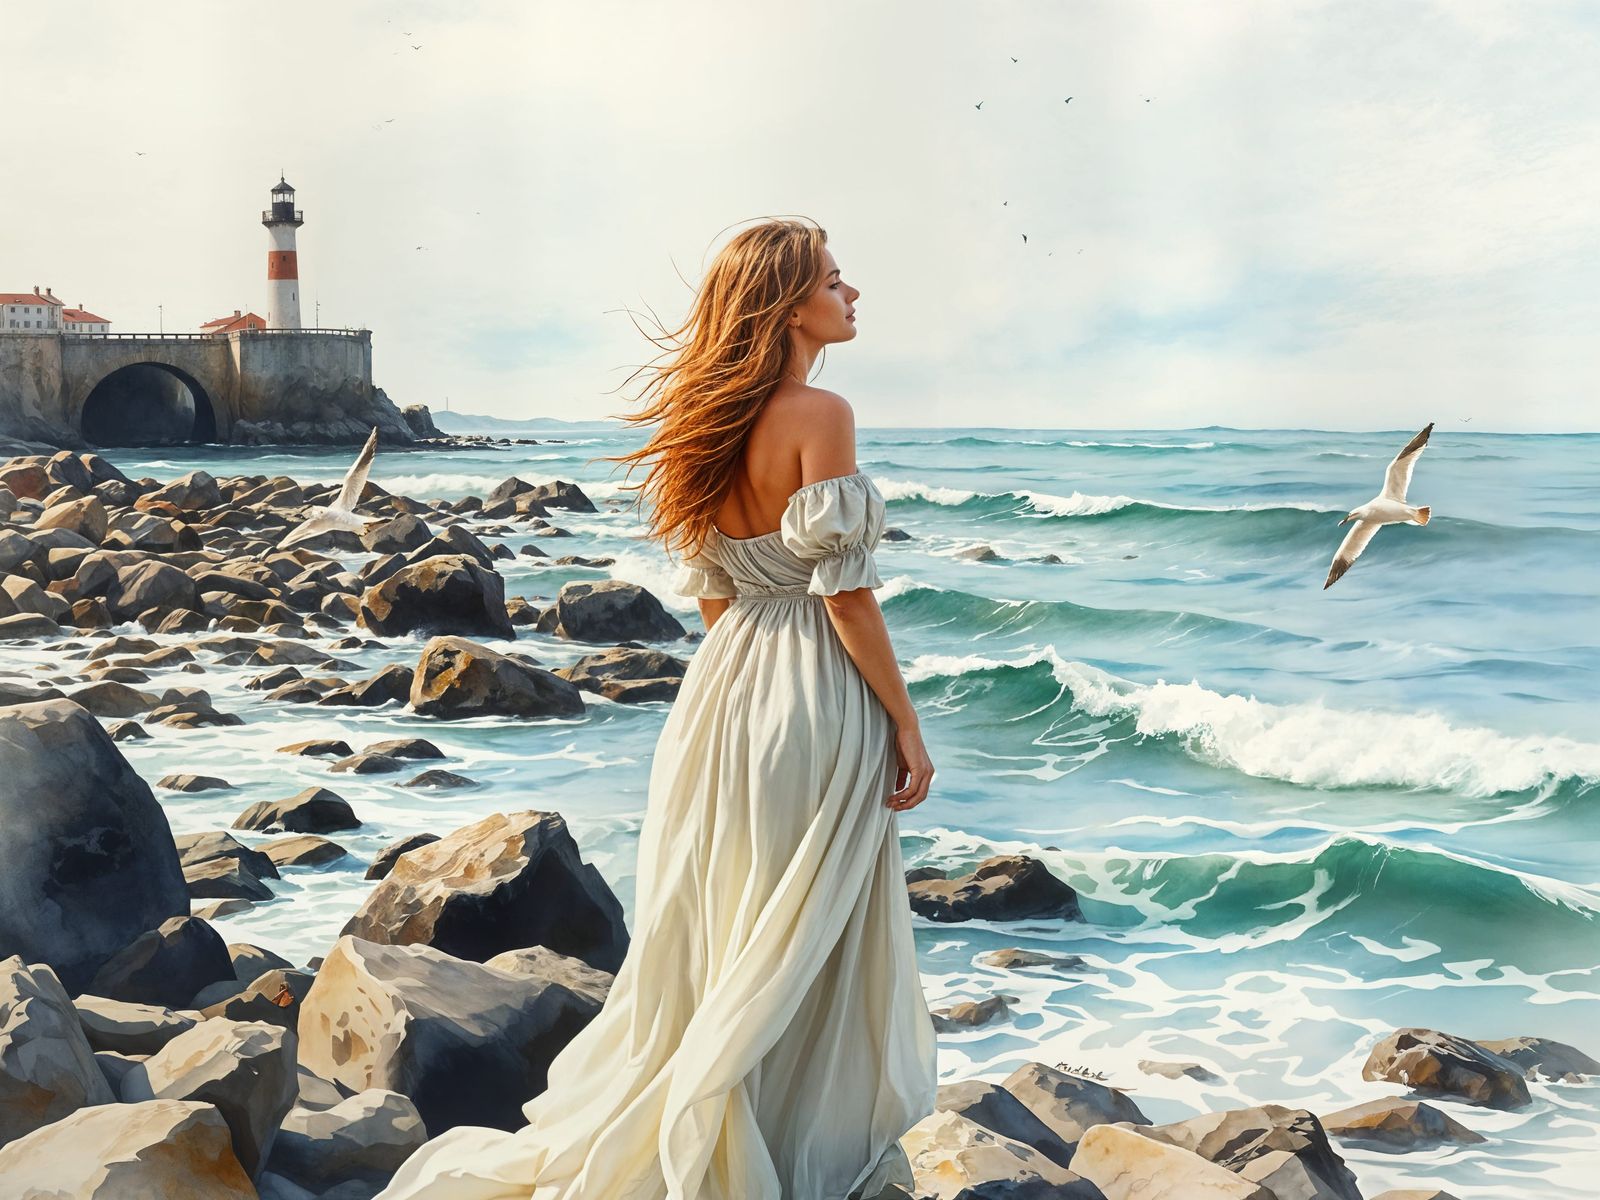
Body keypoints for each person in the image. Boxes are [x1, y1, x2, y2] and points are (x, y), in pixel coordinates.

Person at [376, 216, 938, 1200]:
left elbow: (715, 592)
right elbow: (843, 596)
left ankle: (714, 1131)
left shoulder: (705, 426)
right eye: (837, 281)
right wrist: (904, 720)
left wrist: (754, 655)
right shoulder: (821, 413)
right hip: (810, 688)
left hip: (724, 692)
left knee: (731, 918)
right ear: (788, 302)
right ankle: (791, 1147)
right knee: (808, 921)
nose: (854, 297)